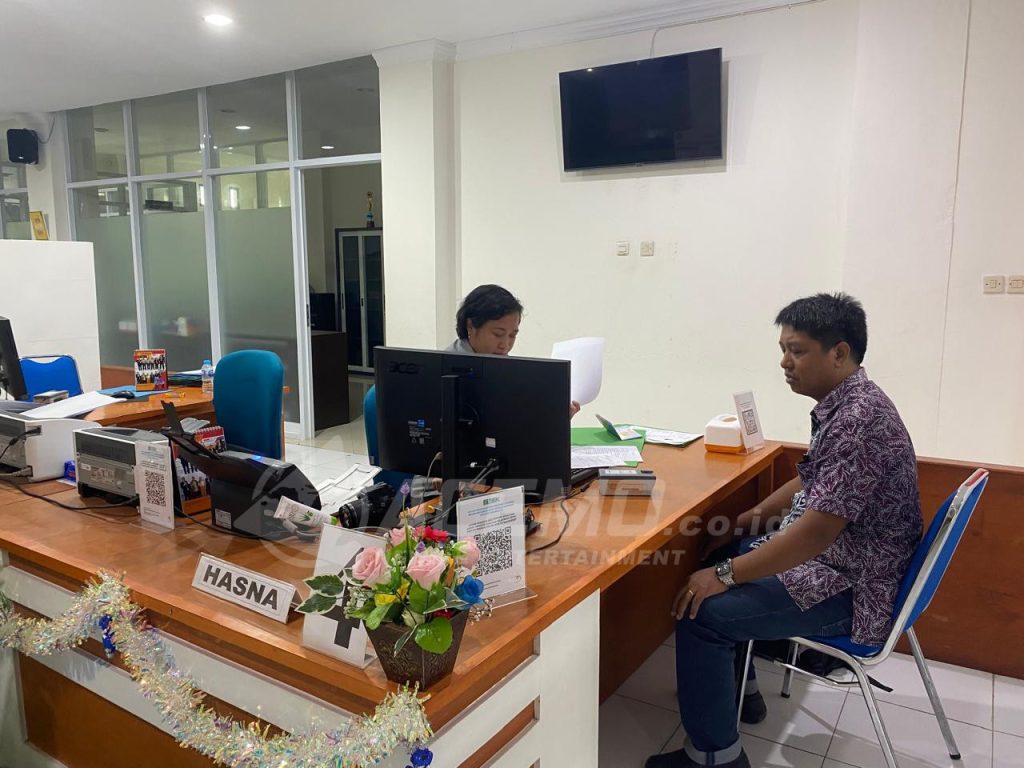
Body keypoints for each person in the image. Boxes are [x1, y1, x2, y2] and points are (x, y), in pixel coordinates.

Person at [646, 293, 923, 768]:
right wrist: (745, 521)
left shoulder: (858, 423)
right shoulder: (851, 403)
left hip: (852, 587)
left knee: (702, 612)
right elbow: (812, 478)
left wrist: (725, 576)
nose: (784, 362)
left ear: (839, 353)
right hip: (845, 563)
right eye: (783, 349)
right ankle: (742, 693)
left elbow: (815, 535)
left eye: (797, 351)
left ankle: (715, 757)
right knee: (726, 552)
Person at [446, 284, 580, 416]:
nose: (505, 345)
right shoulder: (449, 369)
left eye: (512, 335)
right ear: (470, 326)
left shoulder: (504, 369)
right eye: (498, 334)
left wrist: (557, 418)